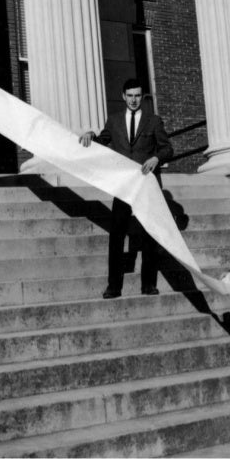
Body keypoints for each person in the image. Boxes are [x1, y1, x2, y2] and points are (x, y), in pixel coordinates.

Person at [79, 78, 173, 299]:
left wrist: (156, 158)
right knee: (117, 235)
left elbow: (168, 149)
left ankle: (148, 284)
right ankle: (114, 286)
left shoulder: (154, 121)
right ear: (123, 96)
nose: (133, 100)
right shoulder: (113, 121)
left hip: (146, 185)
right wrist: (91, 135)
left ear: (142, 97)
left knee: (150, 234)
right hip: (123, 185)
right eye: (130, 95)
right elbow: (102, 141)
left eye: (137, 95)